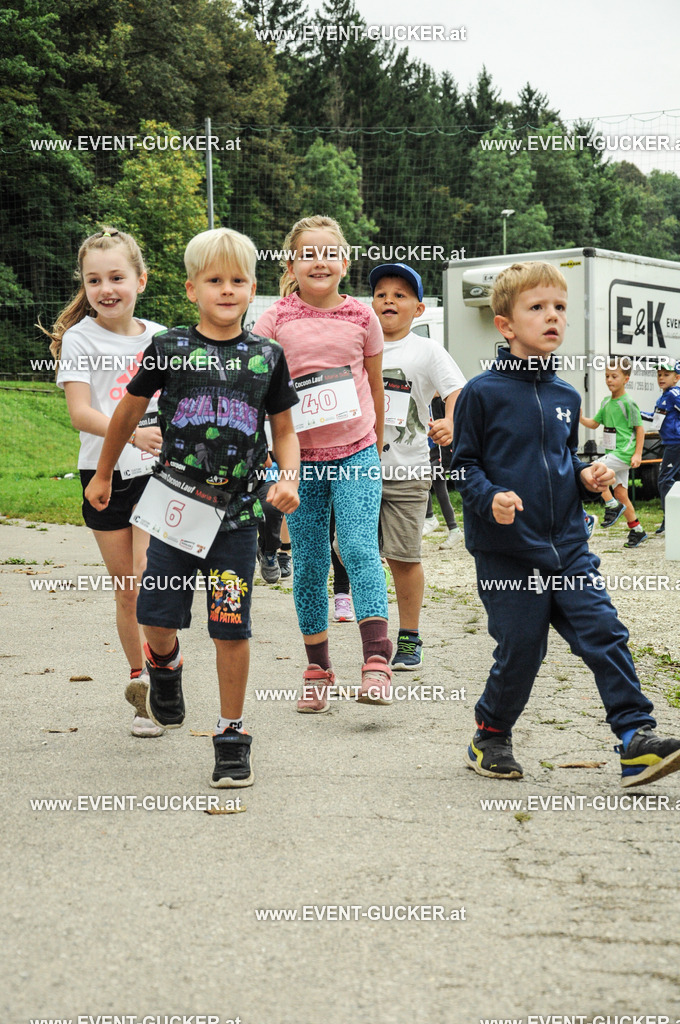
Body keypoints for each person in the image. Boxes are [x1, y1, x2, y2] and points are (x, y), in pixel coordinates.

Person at [85, 227, 300, 786]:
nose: (226, 290)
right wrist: (104, 472)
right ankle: (164, 665)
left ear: (253, 288)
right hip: (175, 513)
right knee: (155, 617)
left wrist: (289, 476)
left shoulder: (267, 357)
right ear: (190, 289)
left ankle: (232, 733)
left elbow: (284, 430)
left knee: (231, 625)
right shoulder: (170, 349)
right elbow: (128, 414)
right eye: (214, 281)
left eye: (238, 281)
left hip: (235, 518)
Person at [452, 261, 680, 788]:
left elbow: (562, 460)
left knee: (605, 632)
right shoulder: (481, 393)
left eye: (559, 307)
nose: (552, 316)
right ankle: (490, 732)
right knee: (522, 649)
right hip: (508, 552)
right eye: (537, 307)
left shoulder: (566, 396)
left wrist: (587, 475)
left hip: (569, 547)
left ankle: (635, 738)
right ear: (505, 325)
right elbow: (462, 466)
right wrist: (491, 499)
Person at [253, 214, 391, 712]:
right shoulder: (273, 320)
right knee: (309, 562)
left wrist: (374, 443)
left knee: (356, 545)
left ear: (345, 262)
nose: (319, 261)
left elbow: (373, 384)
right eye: (308, 253)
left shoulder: (362, 317)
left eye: (329, 252)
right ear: (290, 264)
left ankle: (377, 660)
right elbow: (259, 388)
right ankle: (318, 668)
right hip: (297, 461)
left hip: (356, 450)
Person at [43, 226, 166, 738]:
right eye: (94, 280)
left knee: (148, 574)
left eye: (116, 276)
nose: (106, 288)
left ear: (140, 278)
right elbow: (79, 412)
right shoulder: (79, 338)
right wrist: (131, 434)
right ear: (85, 286)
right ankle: (140, 682)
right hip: (104, 473)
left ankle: (164, 679)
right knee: (127, 591)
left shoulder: (162, 338)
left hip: (159, 474)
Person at [370, 262, 465, 670]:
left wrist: (451, 421)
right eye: (381, 294)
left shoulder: (426, 350)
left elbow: (458, 390)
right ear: (370, 304)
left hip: (408, 471)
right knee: (350, 550)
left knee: (404, 558)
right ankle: (372, 633)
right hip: (359, 469)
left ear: (419, 309)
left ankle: (408, 637)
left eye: (400, 295)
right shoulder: (360, 343)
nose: (389, 300)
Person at [579, 359, 647, 547]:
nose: (609, 380)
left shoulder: (629, 403)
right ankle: (637, 530)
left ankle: (611, 506)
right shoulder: (606, 401)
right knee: (621, 494)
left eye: (614, 376)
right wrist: (580, 418)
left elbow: (639, 429)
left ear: (626, 379)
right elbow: (594, 423)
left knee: (593, 470)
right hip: (614, 452)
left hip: (624, 453)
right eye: (607, 376)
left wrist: (638, 454)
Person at [641, 358, 680, 535]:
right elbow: (656, 420)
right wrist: (637, 412)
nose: (661, 378)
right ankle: (671, 519)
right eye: (659, 375)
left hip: (676, 443)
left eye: (666, 374)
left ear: (677, 378)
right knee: (669, 481)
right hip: (670, 443)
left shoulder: (674, 394)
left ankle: (670, 520)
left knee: (665, 480)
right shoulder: (664, 396)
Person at [422, 394, 464, 548]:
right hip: (434, 453)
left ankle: (433, 519)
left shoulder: (443, 403)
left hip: (446, 454)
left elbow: (450, 431)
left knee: (428, 477)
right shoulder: (427, 402)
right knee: (427, 478)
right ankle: (453, 529)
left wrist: (445, 459)